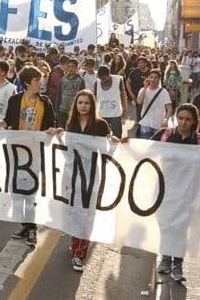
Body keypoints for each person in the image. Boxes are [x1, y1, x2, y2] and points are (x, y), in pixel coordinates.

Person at [0, 66, 57, 246]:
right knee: (17, 189)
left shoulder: (45, 102)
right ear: (27, 82)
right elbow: (8, 121)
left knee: (31, 191)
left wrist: (52, 130)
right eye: (36, 80)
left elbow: (51, 125)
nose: (40, 83)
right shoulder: (15, 100)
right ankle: (24, 224)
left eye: (40, 80)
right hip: (16, 152)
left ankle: (32, 227)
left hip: (35, 152)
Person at [47, 90, 111, 271]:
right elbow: (67, 148)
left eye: (87, 103)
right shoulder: (71, 123)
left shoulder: (100, 124)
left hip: (91, 175)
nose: (83, 106)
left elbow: (106, 148)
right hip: (73, 174)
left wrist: (112, 140)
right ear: (76, 105)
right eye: (80, 102)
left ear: (92, 106)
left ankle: (79, 255)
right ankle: (75, 244)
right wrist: (58, 133)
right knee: (75, 211)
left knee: (87, 214)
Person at [153, 103, 200, 281]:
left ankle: (178, 265)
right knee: (166, 226)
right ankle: (166, 259)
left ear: (194, 122)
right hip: (165, 190)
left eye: (188, 119)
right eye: (180, 118)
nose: (183, 122)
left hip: (187, 192)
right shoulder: (165, 135)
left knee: (181, 228)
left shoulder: (199, 140)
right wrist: (125, 143)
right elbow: (145, 150)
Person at [136, 69, 173, 139]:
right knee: (145, 146)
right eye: (151, 77)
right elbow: (139, 102)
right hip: (145, 124)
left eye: (156, 77)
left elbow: (169, 108)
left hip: (159, 125)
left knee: (157, 148)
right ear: (148, 78)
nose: (153, 79)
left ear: (159, 79)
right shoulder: (143, 90)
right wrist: (145, 87)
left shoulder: (163, 91)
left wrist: (166, 119)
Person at [94, 66, 128, 138]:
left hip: (115, 113)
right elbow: (94, 97)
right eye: (100, 78)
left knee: (117, 135)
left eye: (104, 78)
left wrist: (125, 108)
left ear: (109, 74)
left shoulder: (118, 80)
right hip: (102, 112)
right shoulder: (97, 82)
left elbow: (123, 94)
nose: (102, 80)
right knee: (102, 135)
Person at [55, 58, 86, 129]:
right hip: (63, 110)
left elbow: (83, 96)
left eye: (73, 66)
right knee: (61, 130)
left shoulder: (80, 80)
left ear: (76, 67)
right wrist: (56, 109)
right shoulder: (63, 79)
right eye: (69, 66)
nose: (71, 68)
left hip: (75, 110)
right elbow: (59, 95)